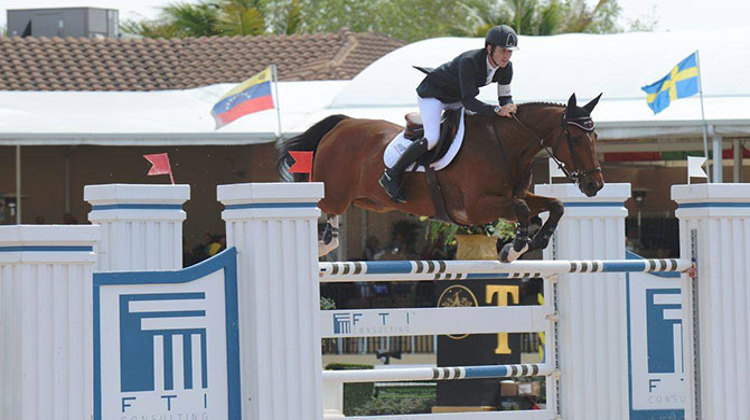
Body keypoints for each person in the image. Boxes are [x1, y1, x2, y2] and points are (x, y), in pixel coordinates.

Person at [379, 24, 520, 203]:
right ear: (489, 48)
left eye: (510, 52)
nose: (506, 56)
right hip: (433, 96)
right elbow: (470, 101)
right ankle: (391, 174)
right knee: (432, 138)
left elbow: (505, 97)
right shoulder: (470, 62)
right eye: (502, 51)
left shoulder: (506, 68)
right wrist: (494, 110)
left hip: (457, 98)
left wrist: (510, 107)